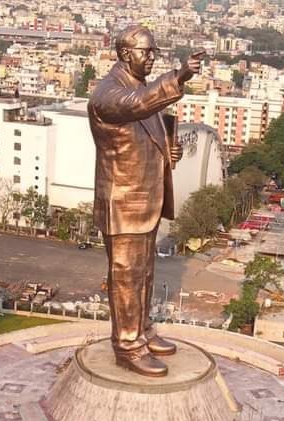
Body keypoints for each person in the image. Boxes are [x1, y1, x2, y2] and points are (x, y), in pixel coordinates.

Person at [87, 25, 203, 376]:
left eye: (154, 52)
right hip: (122, 202)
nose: (151, 58)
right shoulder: (108, 95)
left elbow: (144, 127)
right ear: (124, 54)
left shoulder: (137, 87)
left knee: (144, 273)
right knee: (125, 276)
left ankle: (142, 330)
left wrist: (168, 151)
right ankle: (127, 345)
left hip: (145, 200)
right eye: (145, 52)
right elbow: (137, 106)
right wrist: (179, 75)